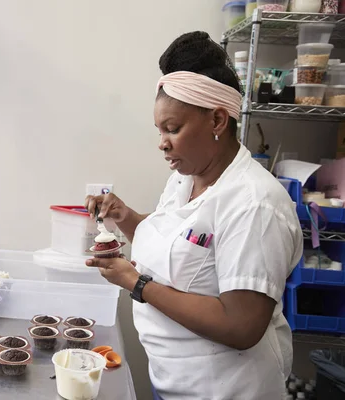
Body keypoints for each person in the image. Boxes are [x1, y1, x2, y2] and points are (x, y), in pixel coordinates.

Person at [84, 31, 303, 400]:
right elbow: (177, 249)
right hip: (173, 382)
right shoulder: (185, 179)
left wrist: (137, 284)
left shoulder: (254, 203)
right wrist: (124, 216)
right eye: (159, 130)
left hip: (227, 391)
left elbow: (241, 325)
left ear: (217, 121)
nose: (162, 142)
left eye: (173, 129)